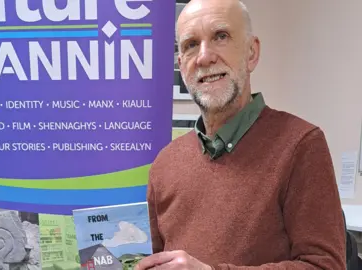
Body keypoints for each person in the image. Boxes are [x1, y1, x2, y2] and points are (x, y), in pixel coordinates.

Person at [135, 0, 346, 269]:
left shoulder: (301, 145)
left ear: (251, 53)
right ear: (181, 65)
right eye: (190, 45)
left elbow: (325, 265)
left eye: (220, 37)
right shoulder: (165, 165)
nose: (204, 57)